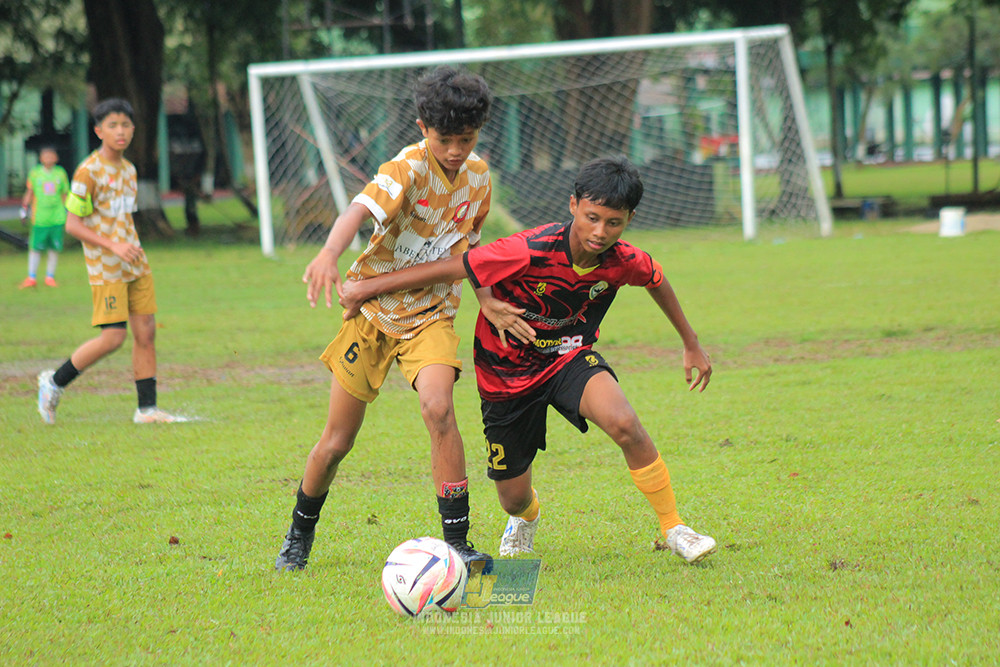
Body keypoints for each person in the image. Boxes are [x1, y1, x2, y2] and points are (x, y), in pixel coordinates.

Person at [339, 156, 718, 564]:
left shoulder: (622, 259)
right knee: (512, 497)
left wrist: (690, 343)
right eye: (592, 217)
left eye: (614, 223)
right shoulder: (528, 249)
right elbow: (454, 267)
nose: (600, 232)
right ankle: (526, 517)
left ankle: (675, 528)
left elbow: (656, 279)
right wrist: (368, 288)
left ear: (629, 219)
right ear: (573, 205)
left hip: (567, 358)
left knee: (625, 423)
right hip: (505, 376)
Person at [275, 66, 497, 572]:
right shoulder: (406, 168)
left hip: (432, 316)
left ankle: (458, 542)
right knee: (336, 442)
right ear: (423, 128)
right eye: (445, 139)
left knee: (439, 409)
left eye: (466, 139)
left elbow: (469, 248)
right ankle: (297, 536)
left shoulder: (479, 179)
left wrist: (486, 299)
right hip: (372, 316)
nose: (456, 150)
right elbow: (356, 210)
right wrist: (330, 253)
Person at [36, 98, 186, 425]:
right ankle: (53, 381)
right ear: (98, 130)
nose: (120, 131)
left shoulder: (129, 169)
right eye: (113, 125)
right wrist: (113, 246)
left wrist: (130, 247)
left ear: (133, 129)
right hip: (106, 267)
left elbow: (122, 220)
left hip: (136, 263)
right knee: (113, 338)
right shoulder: (86, 172)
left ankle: (146, 409)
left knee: (146, 332)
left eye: (126, 125)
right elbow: (73, 224)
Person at [19, 146, 70, 288]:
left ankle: (50, 277)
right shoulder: (35, 173)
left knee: (54, 248)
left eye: (51, 155)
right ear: (41, 158)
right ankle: (32, 277)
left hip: (57, 217)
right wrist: (24, 208)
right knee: (35, 247)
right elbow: (29, 192)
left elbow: (64, 194)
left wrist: (68, 211)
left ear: (56, 158)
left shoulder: (60, 173)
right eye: (45, 155)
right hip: (40, 218)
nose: (48, 158)